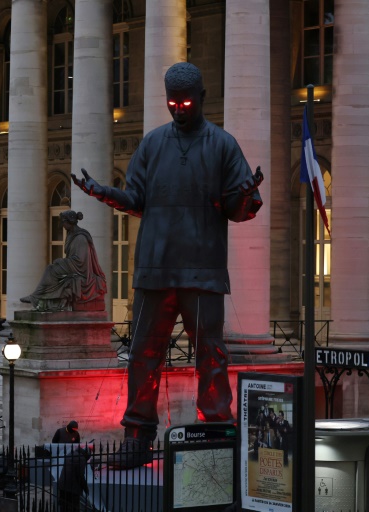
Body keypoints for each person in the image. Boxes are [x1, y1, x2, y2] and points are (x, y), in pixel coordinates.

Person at [72, 61, 264, 469]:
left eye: (186, 102)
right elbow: (136, 198)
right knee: (143, 355)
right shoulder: (153, 143)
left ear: (203, 98)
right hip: (155, 269)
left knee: (210, 355)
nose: (179, 109)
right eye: (172, 102)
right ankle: (137, 436)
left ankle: (214, 431)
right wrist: (104, 193)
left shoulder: (222, 144)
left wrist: (246, 197)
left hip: (202, 271)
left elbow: (239, 209)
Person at [21, 210, 107, 311]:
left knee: (51, 269)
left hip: (80, 270)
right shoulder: (71, 235)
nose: (63, 225)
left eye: (64, 223)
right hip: (74, 266)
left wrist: (62, 262)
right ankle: (47, 300)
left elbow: (80, 261)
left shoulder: (80, 238)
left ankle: (36, 297)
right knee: (53, 269)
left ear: (70, 222)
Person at [57, 446, 91, 512]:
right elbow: (80, 475)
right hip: (72, 487)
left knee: (64, 506)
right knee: (74, 507)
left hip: (62, 484)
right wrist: (85, 488)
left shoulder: (70, 454)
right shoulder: (81, 459)